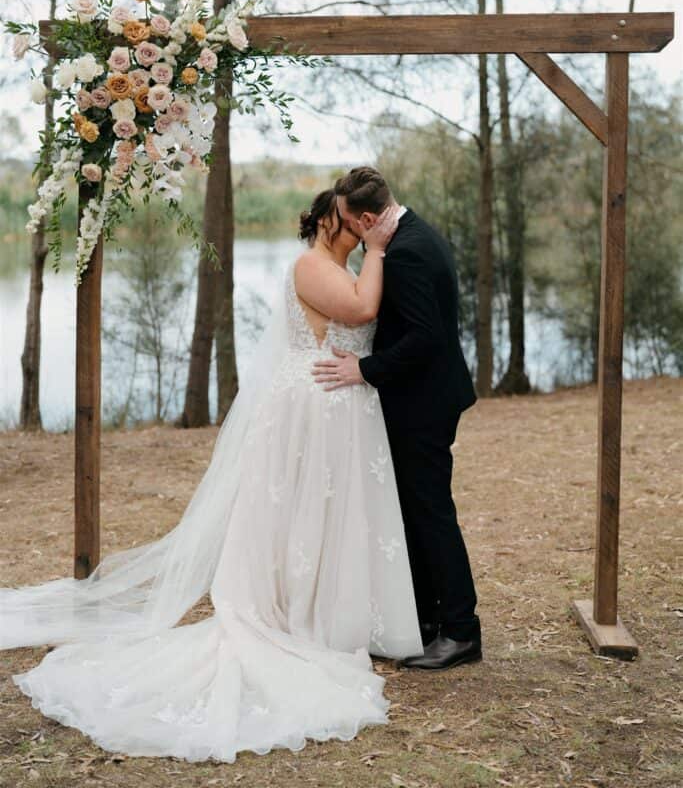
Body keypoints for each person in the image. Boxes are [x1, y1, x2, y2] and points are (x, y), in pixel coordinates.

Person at [0, 189, 424, 763]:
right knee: (302, 513)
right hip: (312, 406)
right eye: (348, 223)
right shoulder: (313, 266)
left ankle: (333, 608)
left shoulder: (341, 264)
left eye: (359, 224)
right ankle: (295, 611)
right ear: (330, 223)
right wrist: (378, 249)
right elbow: (361, 312)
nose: (356, 229)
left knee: (333, 514)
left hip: (341, 408)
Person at [313, 167, 481, 671]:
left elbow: (424, 338)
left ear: (367, 218)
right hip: (425, 396)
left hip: (423, 402)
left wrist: (363, 369)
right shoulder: (413, 231)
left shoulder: (405, 252)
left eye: (346, 222)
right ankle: (427, 621)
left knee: (430, 512)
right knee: (414, 511)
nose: (344, 230)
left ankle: (460, 631)